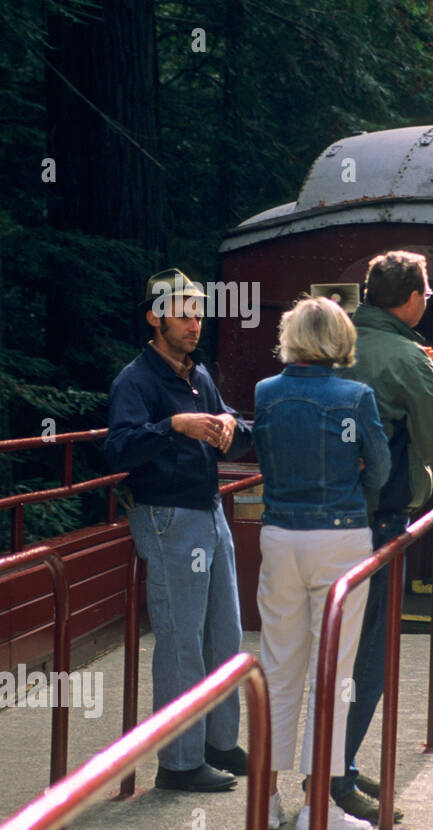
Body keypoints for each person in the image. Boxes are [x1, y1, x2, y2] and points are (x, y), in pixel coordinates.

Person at [105, 269, 252, 792]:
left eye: (198, 314)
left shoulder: (198, 373)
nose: (194, 324)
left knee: (224, 634)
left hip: (209, 511)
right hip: (167, 517)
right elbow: (117, 448)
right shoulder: (136, 379)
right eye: (183, 314)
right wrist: (172, 427)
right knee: (181, 642)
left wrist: (232, 423)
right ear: (155, 317)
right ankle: (179, 763)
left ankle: (218, 741)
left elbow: (227, 421)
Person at [252, 297, 391, 830]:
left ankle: (265, 800)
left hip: (279, 535)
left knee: (277, 667)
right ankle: (318, 812)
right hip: (340, 538)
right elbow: (378, 469)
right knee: (332, 674)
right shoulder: (356, 396)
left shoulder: (266, 393)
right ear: (340, 339)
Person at [329, 250, 433, 822]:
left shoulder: (331, 344)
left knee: (321, 654)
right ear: (409, 299)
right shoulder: (408, 359)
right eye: (426, 296)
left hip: (310, 520)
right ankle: (335, 782)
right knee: (366, 658)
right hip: (375, 522)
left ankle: (330, 772)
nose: (426, 304)